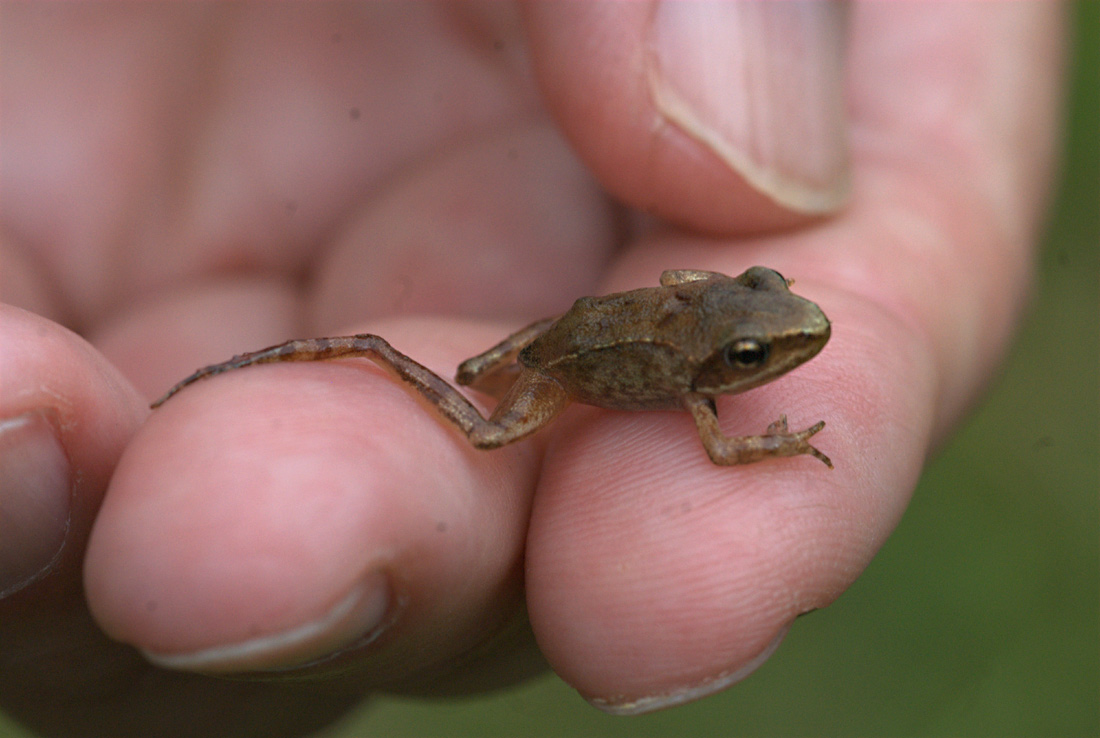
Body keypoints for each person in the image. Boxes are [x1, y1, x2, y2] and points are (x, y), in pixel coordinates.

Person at [0, 3, 1064, 736]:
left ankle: (348, 355)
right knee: (485, 432)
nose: (779, 354)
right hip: (555, 365)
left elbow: (699, 283)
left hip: (567, 323)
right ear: (718, 364)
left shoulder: (698, 307)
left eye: (759, 347)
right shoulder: (696, 384)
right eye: (755, 355)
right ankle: (359, 353)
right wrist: (775, 441)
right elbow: (727, 446)